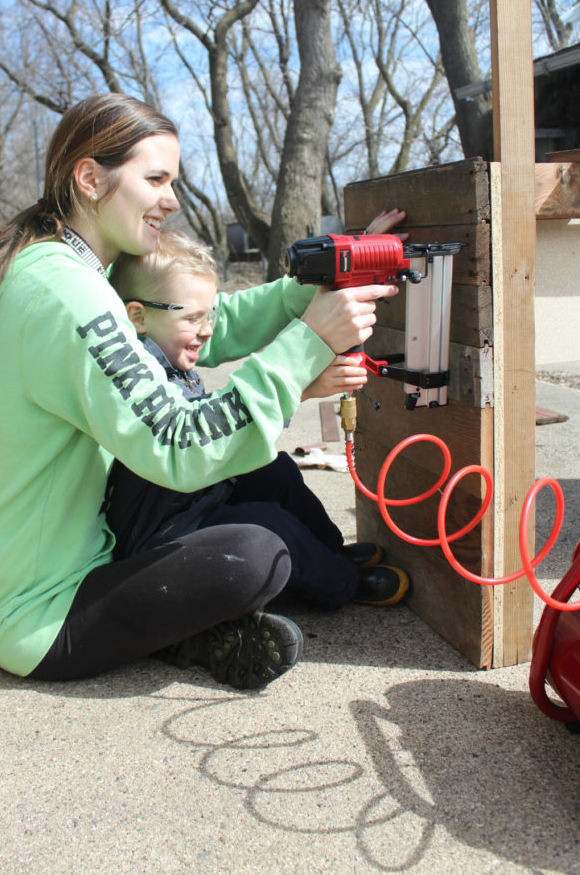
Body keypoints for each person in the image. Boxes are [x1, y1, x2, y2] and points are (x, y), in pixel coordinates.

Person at [0, 92, 400, 692]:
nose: (171, 199)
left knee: (260, 471)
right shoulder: (65, 294)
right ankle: (196, 635)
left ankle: (217, 614)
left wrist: (322, 280)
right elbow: (180, 445)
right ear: (90, 178)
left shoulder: (68, 269)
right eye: (155, 178)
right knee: (258, 554)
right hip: (42, 616)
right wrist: (309, 341)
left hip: (99, 539)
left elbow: (201, 322)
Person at [104, 229, 409, 613]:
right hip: (161, 533)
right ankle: (340, 584)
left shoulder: (169, 354)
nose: (207, 329)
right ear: (138, 316)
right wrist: (301, 389)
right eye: (194, 317)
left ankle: (329, 553)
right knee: (265, 522)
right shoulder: (134, 372)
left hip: (191, 497)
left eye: (211, 314)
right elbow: (203, 430)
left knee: (275, 471)